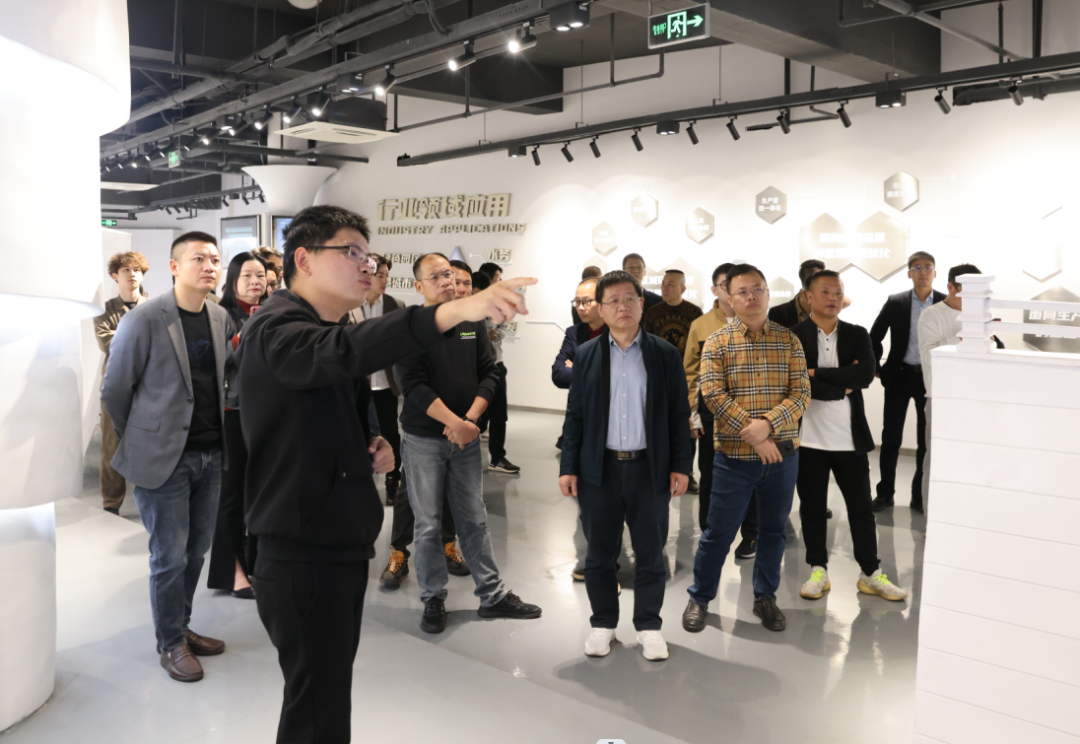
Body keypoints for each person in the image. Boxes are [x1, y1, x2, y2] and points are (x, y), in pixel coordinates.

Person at [236, 206, 538, 744]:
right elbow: (342, 354)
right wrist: (453, 309)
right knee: (315, 710)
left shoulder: (322, 326)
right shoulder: (276, 326)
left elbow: (308, 410)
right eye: (350, 252)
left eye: (367, 254)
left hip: (334, 541)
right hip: (303, 552)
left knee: (325, 700)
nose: (366, 264)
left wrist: (362, 446)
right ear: (304, 259)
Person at [101, 231, 235, 682]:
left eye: (215, 259)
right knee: (169, 556)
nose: (210, 266)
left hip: (211, 455)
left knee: (196, 552)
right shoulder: (144, 318)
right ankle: (171, 643)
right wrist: (139, 438)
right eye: (199, 258)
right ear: (175, 266)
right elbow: (115, 390)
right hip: (164, 460)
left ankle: (182, 626)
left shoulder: (219, 317)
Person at [397, 252, 542, 635]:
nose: (447, 281)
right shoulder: (410, 328)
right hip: (425, 439)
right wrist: (455, 423)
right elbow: (413, 386)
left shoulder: (470, 322)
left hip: (466, 436)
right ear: (419, 286)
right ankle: (433, 597)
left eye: (449, 274)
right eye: (436, 276)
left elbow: (490, 372)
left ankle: (492, 595)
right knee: (428, 524)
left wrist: (471, 420)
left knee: (474, 518)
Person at [560, 270, 691, 660]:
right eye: (613, 300)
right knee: (599, 555)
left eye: (629, 299)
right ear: (600, 309)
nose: (622, 307)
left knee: (651, 554)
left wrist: (682, 465)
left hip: (649, 469)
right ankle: (603, 624)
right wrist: (568, 466)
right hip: (598, 470)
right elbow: (576, 416)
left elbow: (678, 414)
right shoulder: (587, 355)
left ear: (641, 304)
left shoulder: (664, 354)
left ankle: (649, 626)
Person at [682, 264, 810, 634]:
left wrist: (767, 425)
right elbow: (713, 395)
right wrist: (755, 434)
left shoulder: (789, 340)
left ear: (768, 293)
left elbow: (801, 392)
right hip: (734, 459)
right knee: (718, 534)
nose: (751, 297)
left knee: (773, 531)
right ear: (729, 298)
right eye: (742, 291)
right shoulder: (717, 342)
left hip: (782, 457)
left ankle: (765, 597)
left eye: (758, 289)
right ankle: (700, 597)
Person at [792, 271, 909, 603]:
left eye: (838, 292)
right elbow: (795, 379)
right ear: (808, 296)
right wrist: (838, 386)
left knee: (861, 510)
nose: (833, 298)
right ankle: (818, 570)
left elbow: (865, 374)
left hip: (849, 440)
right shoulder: (793, 336)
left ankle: (870, 573)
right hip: (808, 440)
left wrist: (817, 374)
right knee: (812, 509)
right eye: (825, 292)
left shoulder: (857, 333)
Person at [684, 262, 758, 557]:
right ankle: (709, 531)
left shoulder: (758, 321)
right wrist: (692, 413)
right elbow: (690, 373)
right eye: (726, 284)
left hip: (751, 413)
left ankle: (751, 535)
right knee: (710, 476)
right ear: (715, 289)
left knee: (752, 475)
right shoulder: (701, 325)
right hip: (711, 414)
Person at [206, 252, 268, 600]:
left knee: (262, 493)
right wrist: (247, 334)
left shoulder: (273, 311)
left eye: (261, 275)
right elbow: (219, 362)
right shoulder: (220, 315)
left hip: (267, 412)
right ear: (232, 281)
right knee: (231, 496)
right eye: (247, 275)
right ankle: (232, 571)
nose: (256, 281)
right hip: (233, 412)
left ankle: (258, 564)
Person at [917, 264, 1001, 518]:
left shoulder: (984, 316)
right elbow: (929, 357)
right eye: (967, 290)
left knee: (972, 460)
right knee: (937, 460)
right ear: (950, 287)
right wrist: (966, 337)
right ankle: (932, 520)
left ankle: (963, 517)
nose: (974, 298)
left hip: (976, 399)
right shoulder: (932, 315)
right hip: (942, 398)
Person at [869, 251, 945, 513]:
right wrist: (877, 368)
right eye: (917, 267)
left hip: (930, 379)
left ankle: (918, 495)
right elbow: (874, 336)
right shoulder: (896, 302)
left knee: (926, 441)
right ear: (910, 273)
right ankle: (885, 493)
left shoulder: (944, 303)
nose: (923, 271)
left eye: (928, 267)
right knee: (890, 439)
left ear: (935, 272)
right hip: (899, 376)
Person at [552, 276, 607, 578]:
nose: (581, 307)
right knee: (588, 499)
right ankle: (596, 558)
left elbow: (616, 374)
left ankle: (608, 559)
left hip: (615, 426)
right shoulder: (574, 333)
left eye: (587, 301)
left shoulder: (618, 331)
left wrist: (579, 367)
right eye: (578, 302)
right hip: (583, 424)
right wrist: (591, 371)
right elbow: (558, 374)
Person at [93, 250, 150, 515]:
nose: (132, 274)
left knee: (149, 446)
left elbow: (158, 345)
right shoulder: (105, 310)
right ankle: (111, 504)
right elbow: (107, 344)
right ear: (115, 276)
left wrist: (124, 335)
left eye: (136, 269)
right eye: (126, 270)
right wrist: (139, 336)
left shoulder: (155, 308)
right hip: (115, 388)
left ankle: (150, 500)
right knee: (111, 448)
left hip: (148, 388)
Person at [476, 262, 519, 474]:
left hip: (495, 364)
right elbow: (463, 335)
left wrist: (496, 334)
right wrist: (480, 335)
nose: (500, 281)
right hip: (472, 368)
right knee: (473, 414)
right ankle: (464, 457)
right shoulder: (464, 307)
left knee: (499, 414)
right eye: (497, 277)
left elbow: (502, 328)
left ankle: (498, 458)